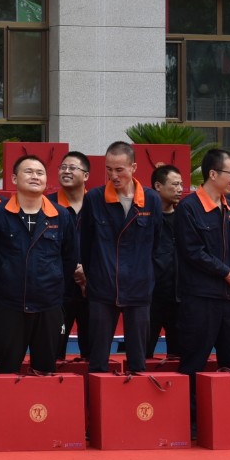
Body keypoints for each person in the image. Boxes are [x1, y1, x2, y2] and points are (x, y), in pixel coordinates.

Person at [0, 155, 76, 374]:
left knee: (46, 372)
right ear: (14, 178)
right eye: (29, 172)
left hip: (48, 306)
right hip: (8, 306)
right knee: (6, 372)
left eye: (40, 173)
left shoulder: (61, 216)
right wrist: (0, 285)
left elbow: (69, 259)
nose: (35, 177)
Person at [78, 142, 167, 375]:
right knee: (98, 359)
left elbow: (157, 245)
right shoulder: (94, 198)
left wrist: (147, 276)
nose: (114, 175)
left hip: (139, 288)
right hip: (102, 287)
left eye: (119, 169)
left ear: (133, 167)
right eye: (109, 169)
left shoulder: (151, 199)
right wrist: (94, 276)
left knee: (138, 359)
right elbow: (86, 244)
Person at [171, 148, 230, 379]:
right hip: (201, 299)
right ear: (213, 174)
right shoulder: (189, 208)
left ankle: (229, 404)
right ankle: (192, 403)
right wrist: (226, 273)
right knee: (194, 363)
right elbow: (193, 252)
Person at [54, 151, 90, 360]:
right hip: (58, 290)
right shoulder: (48, 204)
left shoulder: (98, 205)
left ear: (86, 176)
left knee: (93, 354)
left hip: (91, 290)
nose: (66, 171)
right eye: (63, 167)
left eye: (72, 168)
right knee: (53, 351)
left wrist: (88, 270)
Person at [147, 163, 186, 358]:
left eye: (181, 185)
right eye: (175, 184)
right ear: (158, 186)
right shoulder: (144, 217)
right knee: (142, 355)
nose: (180, 189)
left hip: (179, 298)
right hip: (150, 297)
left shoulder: (185, 217)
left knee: (178, 357)